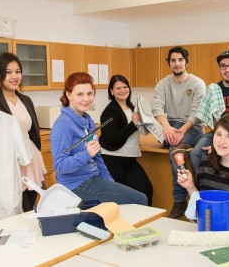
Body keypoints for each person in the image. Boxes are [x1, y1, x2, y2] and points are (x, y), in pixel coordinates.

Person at [50, 72, 148, 206]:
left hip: (93, 178)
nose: (86, 99)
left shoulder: (87, 120)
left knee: (139, 196)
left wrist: (110, 183)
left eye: (90, 94)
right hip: (76, 185)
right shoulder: (63, 124)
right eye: (80, 94)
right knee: (140, 199)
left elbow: (97, 158)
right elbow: (60, 166)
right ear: (68, 94)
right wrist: (86, 154)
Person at [0, 52, 46, 212]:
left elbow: (33, 130)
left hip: (29, 156)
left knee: (30, 203)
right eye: (8, 72)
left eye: (18, 71)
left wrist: (37, 153)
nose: (14, 76)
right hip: (6, 159)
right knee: (13, 206)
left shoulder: (25, 100)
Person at [177, 113, 229, 232]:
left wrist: (218, 225)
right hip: (207, 229)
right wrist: (190, 187)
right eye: (218, 134)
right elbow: (202, 201)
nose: (221, 141)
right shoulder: (206, 162)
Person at [151, 46, 206, 218]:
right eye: (173, 60)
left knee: (176, 151)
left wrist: (181, 131)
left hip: (193, 127)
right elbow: (156, 107)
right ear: (169, 63)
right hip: (170, 126)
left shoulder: (197, 83)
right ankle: (185, 198)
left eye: (180, 60)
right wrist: (166, 127)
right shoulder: (163, 84)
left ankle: (181, 199)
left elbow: (197, 112)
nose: (177, 64)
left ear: (186, 62)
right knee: (174, 145)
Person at [190, 49, 229, 178]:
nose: (227, 70)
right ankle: (200, 189)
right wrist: (217, 139)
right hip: (217, 132)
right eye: (223, 66)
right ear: (219, 69)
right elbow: (214, 121)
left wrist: (220, 142)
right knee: (196, 153)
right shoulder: (214, 89)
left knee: (226, 155)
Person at [99, 75, 153, 206]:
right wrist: (133, 125)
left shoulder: (131, 106)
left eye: (125, 87)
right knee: (117, 201)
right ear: (111, 91)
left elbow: (135, 130)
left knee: (146, 191)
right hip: (113, 160)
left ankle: (144, 222)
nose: (122, 90)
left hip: (129, 159)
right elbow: (113, 138)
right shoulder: (109, 112)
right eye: (118, 88)